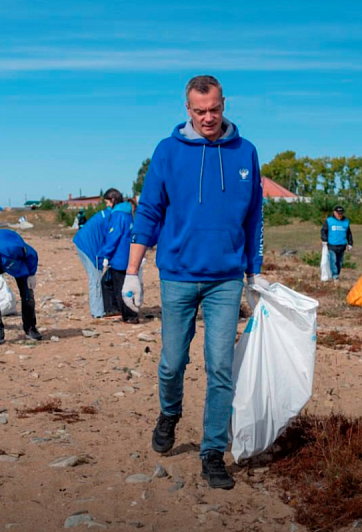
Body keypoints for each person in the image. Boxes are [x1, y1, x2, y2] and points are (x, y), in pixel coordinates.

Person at [120, 75, 265, 490]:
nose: (208, 117)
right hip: (178, 275)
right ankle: (169, 413)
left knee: (220, 367)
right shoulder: (167, 152)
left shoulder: (246, 152)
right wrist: (133, 271)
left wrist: (254, 273)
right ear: (187, 110)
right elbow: (148, 211)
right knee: (172, 364)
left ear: (225, 105)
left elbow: (255, 216)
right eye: (199, 111)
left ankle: (212, 451)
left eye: (214, 109)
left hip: (225, 278)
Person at [97, 189, 138, 324]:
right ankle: (114, 309)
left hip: (119, 257)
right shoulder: (128, 213)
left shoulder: (118, 215)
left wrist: (105, 254)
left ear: (113, 200)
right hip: (127, 255)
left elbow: (113, 236)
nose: (107, 205)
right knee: (107, 282)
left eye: (107, 202)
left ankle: (130, 315)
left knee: (121, 286)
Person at [73, 204, 112, 319]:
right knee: (95, 279)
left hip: (82, 242)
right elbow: (110, 239)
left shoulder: (106, 214)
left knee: (95, 278)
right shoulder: (112, 217)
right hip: (90, 248)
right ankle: (97, 312)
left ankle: (98, 309)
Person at [320, 205, 353, 282]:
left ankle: (336, 274)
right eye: (338, 213)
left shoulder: (346, 222)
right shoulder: (329, 221)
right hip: (332, 245)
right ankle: (335, 276)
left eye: (341, 213)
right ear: (334, 212)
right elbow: (323, 231)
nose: (339, 215)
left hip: (342, 245)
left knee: (339, 262)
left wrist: (350, 243)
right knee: (333, 261)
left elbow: (349, 234)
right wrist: (324, 240)